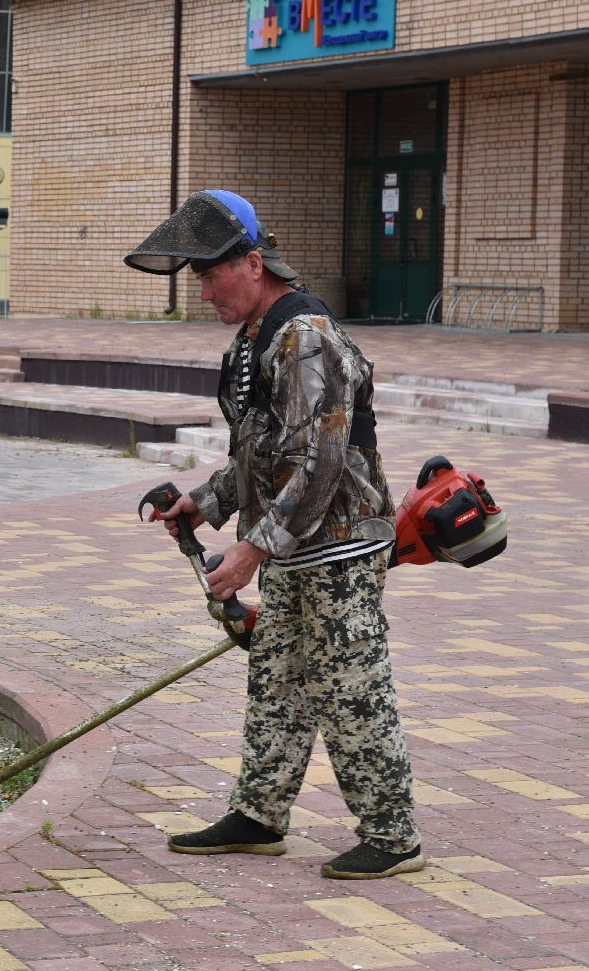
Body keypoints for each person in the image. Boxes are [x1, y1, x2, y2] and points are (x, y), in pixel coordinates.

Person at [127, 189, 423, 881]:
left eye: (210, 276)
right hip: (297, 546)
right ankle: (259, 815)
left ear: (253, 264)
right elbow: (263, 453)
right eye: (198, 278)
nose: (203, 293)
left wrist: (253, 547)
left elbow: (320, 460)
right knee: (279, 684)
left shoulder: (304, 337)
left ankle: (394, 833)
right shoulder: (257, 341)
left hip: (341, 546)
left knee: (352, 688)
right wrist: (203, 504)